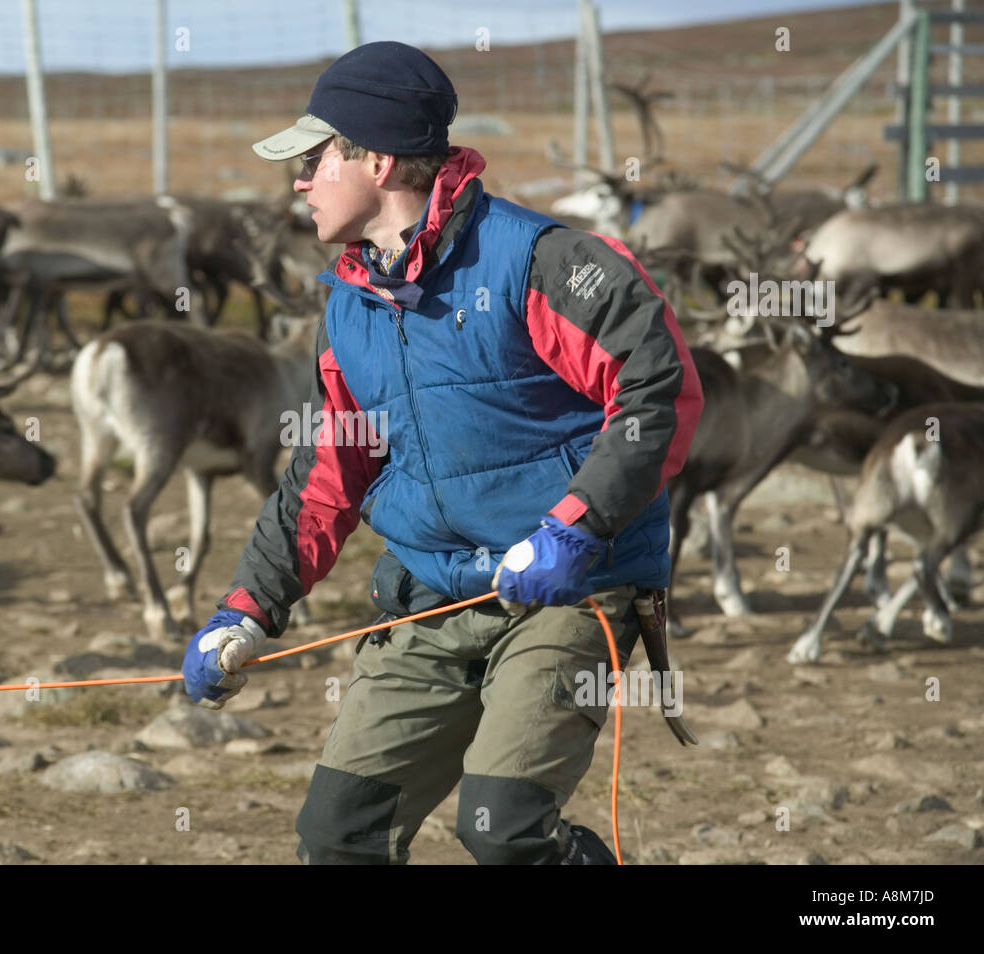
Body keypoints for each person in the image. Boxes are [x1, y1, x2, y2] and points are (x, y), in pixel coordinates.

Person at [181, 41, 703, 865]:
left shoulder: (542, 261)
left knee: (502, 832)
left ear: (378, 161)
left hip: (571, 592)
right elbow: (325, 476)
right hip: (430, 597)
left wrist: (575, 527)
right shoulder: (349, 307)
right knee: (337, 836)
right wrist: (248, 609)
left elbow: (658, 393)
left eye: (315, 159)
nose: (299, 180)